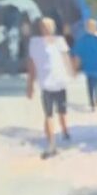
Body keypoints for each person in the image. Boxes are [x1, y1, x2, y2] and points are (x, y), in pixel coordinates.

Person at [27, 17, 72, 158]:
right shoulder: (35, 43)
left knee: (61, 111)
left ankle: (65, 131)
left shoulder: (59, 41)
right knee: (49, 114)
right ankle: (52, 144)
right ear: (40, 28)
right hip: (46, 84)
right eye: (44, 26)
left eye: (49, 26)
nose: (47, 29)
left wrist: (71, 73)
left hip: (60, 82)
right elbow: (32, 65)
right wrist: (30, 84)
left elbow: (66, 59)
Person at [71, 18, 97, 110]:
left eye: (94, 26)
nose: (93, 28)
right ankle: (92, 101)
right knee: (91, 84)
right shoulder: (83, 40)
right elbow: (77, 55)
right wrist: (75, 68)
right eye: (91, 26)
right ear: (87, 27)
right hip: (89, 66)